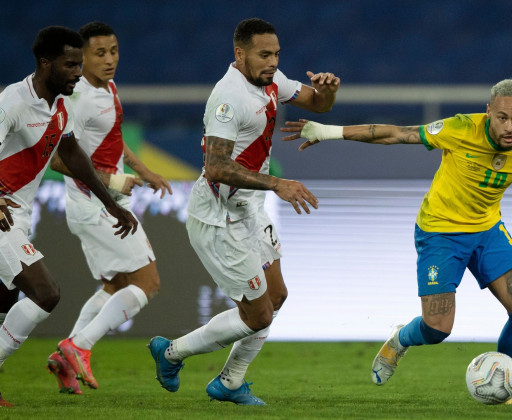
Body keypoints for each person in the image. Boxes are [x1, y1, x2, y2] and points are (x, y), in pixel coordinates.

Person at [281, 79, 512, 406]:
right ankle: (401, 339)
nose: (511, 126)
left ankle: (502, 387)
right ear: (489, 113)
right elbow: (397, 134)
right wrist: (329, 132)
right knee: (437, 328)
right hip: (439, 232)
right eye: (502, 117)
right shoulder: (460, 128)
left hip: (487, 230)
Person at [147, 18, 339, 405]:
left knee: (277, 296)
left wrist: (327, 90)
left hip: (249, 208)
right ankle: (170, 352)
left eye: (276, 54)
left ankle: (230, 382)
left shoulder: (271, 81)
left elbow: (318, 104)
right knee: (259, 315)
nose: (272, 62)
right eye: (264, 55)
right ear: (240, 54)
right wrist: (278, 184)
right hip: (218, 217)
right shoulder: (227, 97)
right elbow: (216, 167)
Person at [0, 25, 137, 400]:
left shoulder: (62, 106)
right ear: (46, 64)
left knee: (3, 303)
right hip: (2, 214)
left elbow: (74, 155)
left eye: (79, 64)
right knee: (46, 294)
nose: (78, 72)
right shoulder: (12, 101)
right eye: (70, 65)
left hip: (19, 215)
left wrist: (111, 204)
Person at [46, 22, 172, 394]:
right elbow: (57, 160)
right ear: (81, 58)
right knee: (147, 284)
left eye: (114, 51)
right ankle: (79, 346)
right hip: (96, 204)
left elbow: (113, 143)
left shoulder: (108, 88)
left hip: (96, 204)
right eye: (99, 53)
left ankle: (63, 358)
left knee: (115, 284)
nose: (109, 59)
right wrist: (116, 181)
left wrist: (143, 170)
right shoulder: (79, 99)